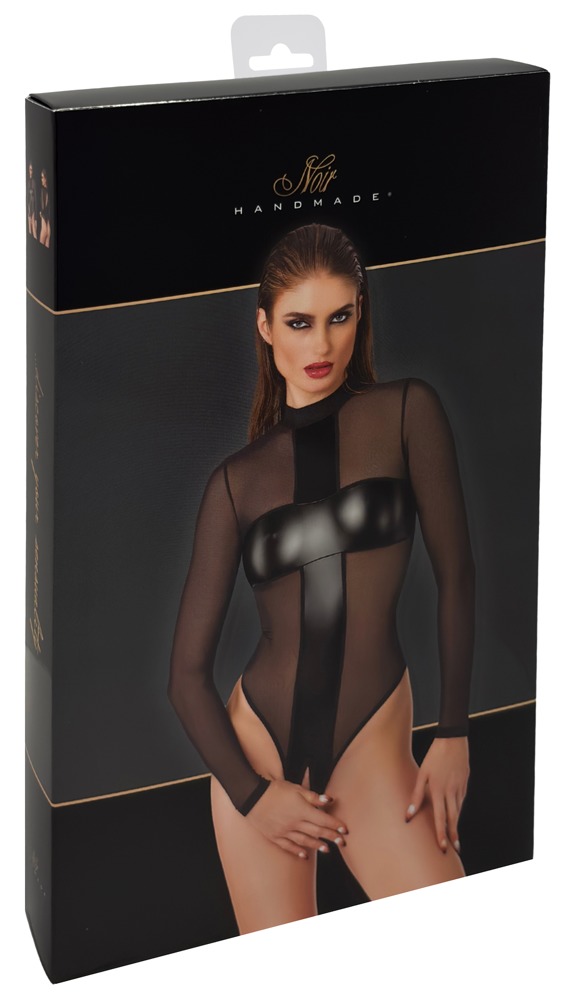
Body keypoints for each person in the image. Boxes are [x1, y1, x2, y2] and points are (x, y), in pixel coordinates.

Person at [169, 223, 475, 932]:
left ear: (359, 312)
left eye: (339, 316)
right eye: (299, 323)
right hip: (256, 754)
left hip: (370, 743)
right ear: (265, 328)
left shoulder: (407, 411)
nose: (322, 345)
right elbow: (185, 677)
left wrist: (454, 731)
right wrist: (251, 796)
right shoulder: (234, 483)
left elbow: (457, 573)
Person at [39, 168, 50, 248]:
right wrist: (41, 213)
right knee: (46, 232)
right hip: (44, 215)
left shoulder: (47, 190)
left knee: (48, 233)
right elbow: (44, 207)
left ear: (46, 178)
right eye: (41, 177)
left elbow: (47, 206)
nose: (41, 179)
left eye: (42, 177)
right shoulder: (43, 190)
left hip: (47, 216)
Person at [27, 163, 37, 239]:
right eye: (29, 169)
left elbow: (35, 198)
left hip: (32, 207)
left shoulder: (33, 182)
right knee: (29, 230)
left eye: (31, 169)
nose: (31, 171)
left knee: (33, 229)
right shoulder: (27, 181)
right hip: (28, 207)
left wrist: (36, 216)